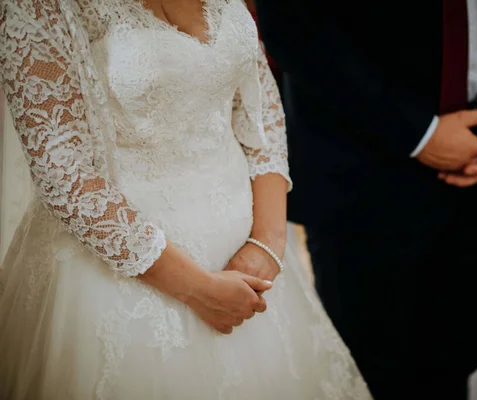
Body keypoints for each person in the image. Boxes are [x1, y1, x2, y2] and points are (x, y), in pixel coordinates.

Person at [0, 1, 371, 399]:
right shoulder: (40, 6)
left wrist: (268, 244)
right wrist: (201, 290)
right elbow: (64, 174)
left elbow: (259, 114)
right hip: (121, 266)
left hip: (247, 248)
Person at [254, 0, 477, 398]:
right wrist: (420, 133)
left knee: (454, 364)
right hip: (361, 174)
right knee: (371, 374)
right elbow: (294, 25)